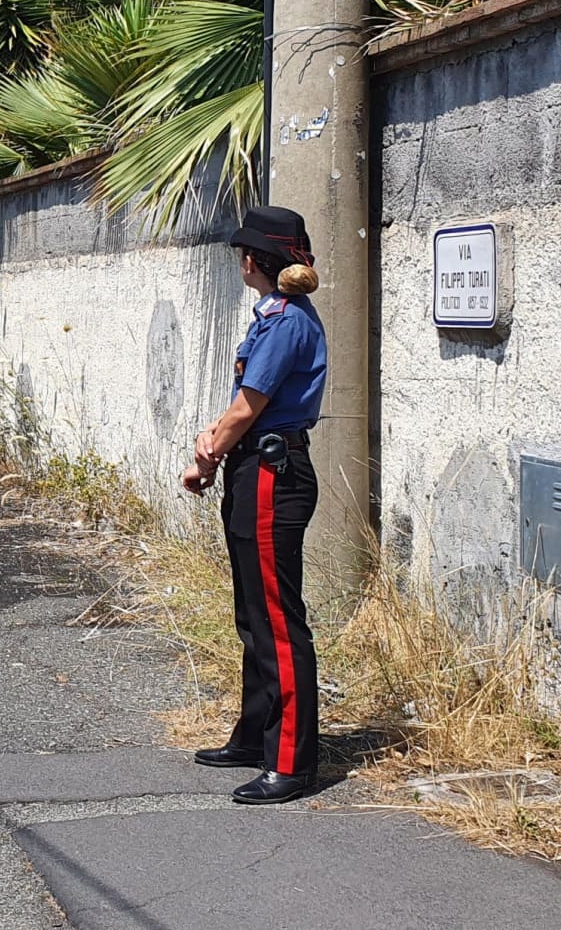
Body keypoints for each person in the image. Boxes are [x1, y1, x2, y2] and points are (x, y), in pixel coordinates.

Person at [179, 205, 327, 805]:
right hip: (256, 469)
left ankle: (291, 760)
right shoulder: (274, 317)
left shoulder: (287, 320)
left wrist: (206, 455)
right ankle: (255, 734)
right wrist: (214, 442)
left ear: (253, 260)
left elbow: (248, 408)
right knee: (252, 615)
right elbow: (243, 402)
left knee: (277, 621)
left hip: (273, 473)